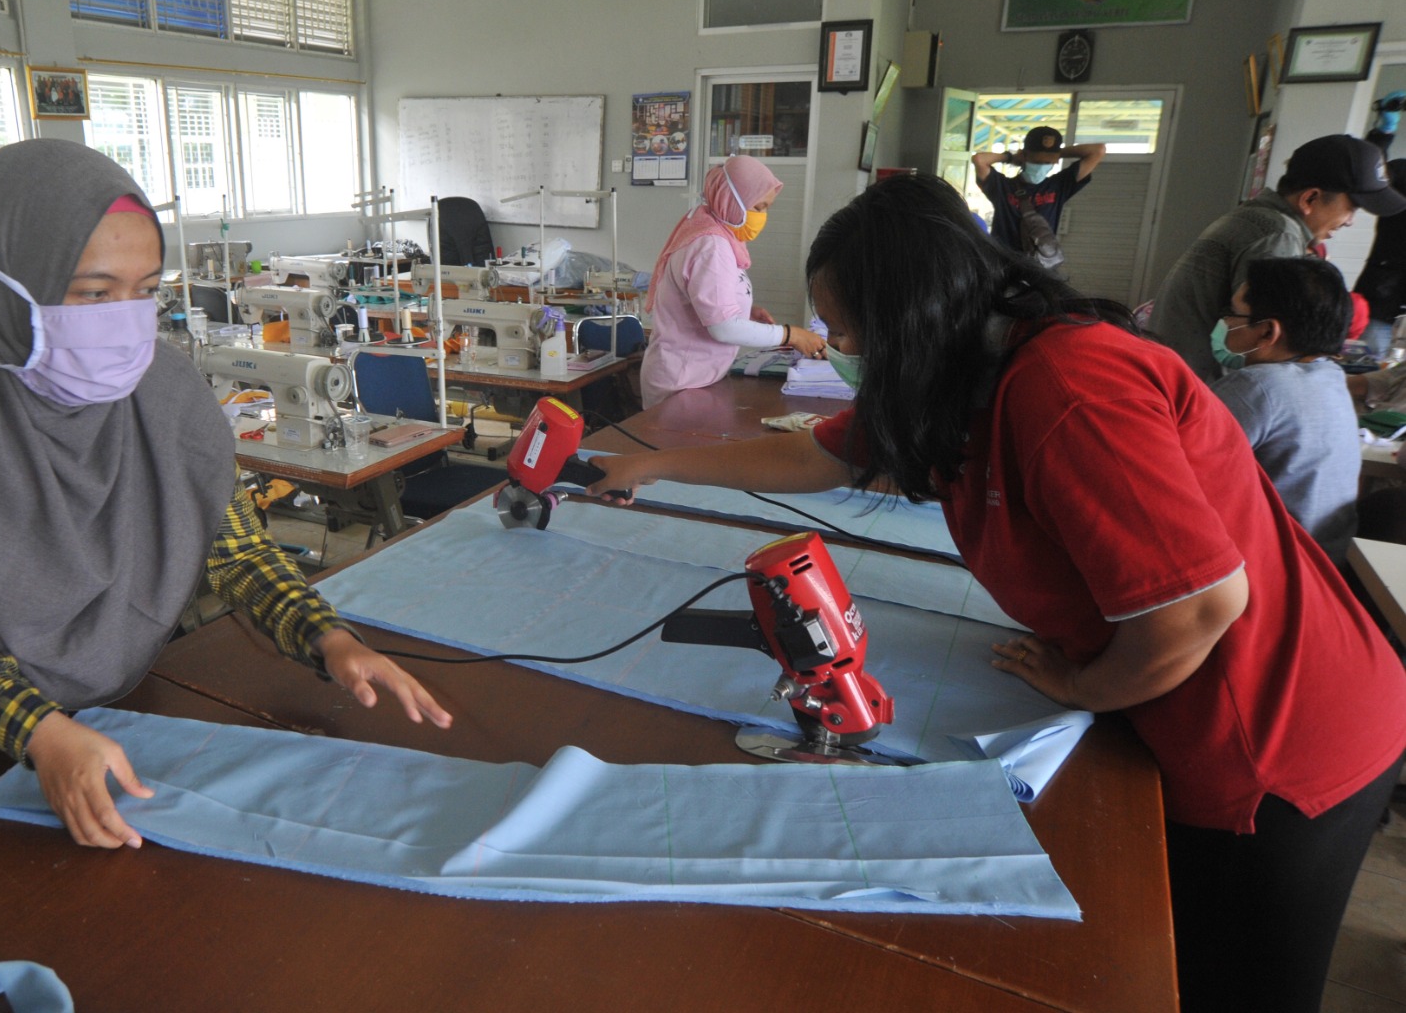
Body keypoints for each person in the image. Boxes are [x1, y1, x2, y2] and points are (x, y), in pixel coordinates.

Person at [585, 174, 1406, 1013]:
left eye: (844, 326)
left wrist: (1083, 685)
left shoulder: (1070, 385)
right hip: (1183, 706)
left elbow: (1197, 608)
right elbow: (823, 455)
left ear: (909, 314)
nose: (833, 343)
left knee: (1218, 982)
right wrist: (649, 463)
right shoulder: (959, 369)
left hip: (1277, 735)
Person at [0, 139, 452, 851]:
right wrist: (41, 732)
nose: (124, 321)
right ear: (2, 282)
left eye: (144, 290)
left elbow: (232, 551)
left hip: (126, 711)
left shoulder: (157, 389)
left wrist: (329, 639)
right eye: (93, 293)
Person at [1149, 133, 1406, 382]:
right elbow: (1267, 348)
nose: (1350, 221)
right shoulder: (1277, 237)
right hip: (1197, 386)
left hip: (1177, 373)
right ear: (1310, 198)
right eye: (1351, 208)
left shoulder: (1260, 219)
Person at [638, 155, 827, 409]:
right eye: (758, 207)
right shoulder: (712, 246)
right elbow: (723, 327)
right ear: (732, 201)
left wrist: (745, 311)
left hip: (697, 378)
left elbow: (706, 297)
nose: (762, 216)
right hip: (681, 383)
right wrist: (790, 335)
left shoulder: (713, 229)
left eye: (767, 208)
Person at [1208, 257, 1360, 564]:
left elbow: (1176, 467)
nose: (1224, 323)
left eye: (1233, 313)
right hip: (1328, 562)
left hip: (1275, 566)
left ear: (1267, 332)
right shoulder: (1330, 377)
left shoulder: (1257, 386)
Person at [972, 125, 1106, 272]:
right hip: (1002, 267)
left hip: (1040, 269)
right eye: (1037, 160)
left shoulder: (1059, 186)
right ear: (1024, 156)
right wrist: (1011, 157)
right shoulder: (1002, 187)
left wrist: (1056, 153)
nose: (1042, 165)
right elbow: (979, 159)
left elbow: (1098, 151)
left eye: (1048, 162)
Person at [1354, 157, 1406, 357]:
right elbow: (1371, 170)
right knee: (1366, 365)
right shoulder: (1402, 171)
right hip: (1382, 301)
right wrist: (1382, 134)